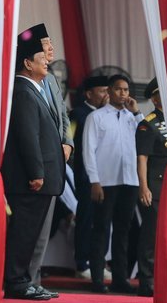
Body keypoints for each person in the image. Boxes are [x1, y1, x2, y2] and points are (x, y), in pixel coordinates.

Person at [1, 28, 65, 300]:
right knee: (22, 234)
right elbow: (28, 136)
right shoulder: (24, 91)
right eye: (42, 55)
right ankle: (16, 282)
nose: (48, 60)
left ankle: (25, 280)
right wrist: (37, 172)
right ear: (27, 63)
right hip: (30, 180)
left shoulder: (35, 88)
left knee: (30, 235)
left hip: (40, 179)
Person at [83, 74, 144, 293]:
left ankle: (120, 279)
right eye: (118, 89)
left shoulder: (132, 117)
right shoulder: (97, 117)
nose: (123, 93)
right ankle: (97, 279)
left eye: (126, 90)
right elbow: (88, 151)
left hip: (129, 180)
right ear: (109, 91)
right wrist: (94, 181)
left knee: (123, 232)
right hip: (105, 181)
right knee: (101, 230)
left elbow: (146, 137)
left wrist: (137, 113)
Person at [26, 24, 73, 298]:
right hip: (36, 165)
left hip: (55, 163)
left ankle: (35, 278)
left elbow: (63, 117)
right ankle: (25, 280)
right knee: (30, 230)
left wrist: (68, 142)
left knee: (43, 230)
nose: (51, 49)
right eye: (46, 45)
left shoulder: (52, 79)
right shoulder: (23, 82)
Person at [69, 76, 109, 279]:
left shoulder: (109, 114)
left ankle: (99, 262)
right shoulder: (78, 113)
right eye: (102, 91)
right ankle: (82, 262)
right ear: (89, 94)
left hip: (108, 176)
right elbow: (69, 141)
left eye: (107, 91)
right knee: (86, 219)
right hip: (86, 176)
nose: (106, 95)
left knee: (103, 221)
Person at [135, 77, 167, 297]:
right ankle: (147, 281)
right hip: (154, 186)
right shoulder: (148, 124)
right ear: (156, 98)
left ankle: (165, 278)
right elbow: (142, 159)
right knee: (151, 237)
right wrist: (144, 187)